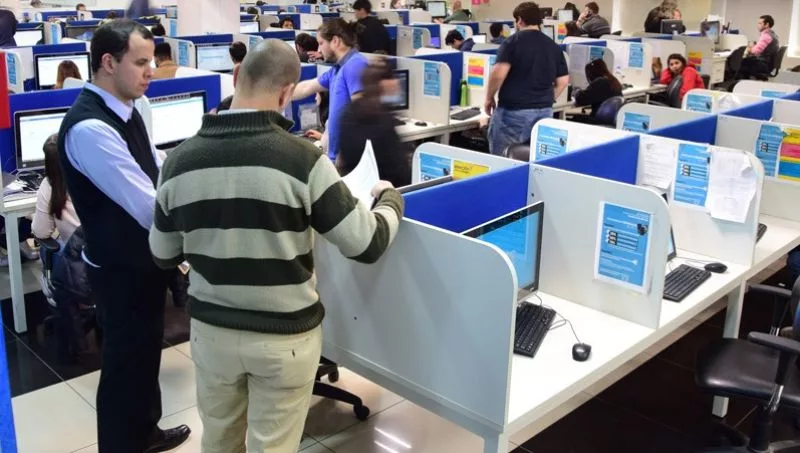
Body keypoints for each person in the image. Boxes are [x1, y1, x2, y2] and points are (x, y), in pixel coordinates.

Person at [149, 38, 404, 453]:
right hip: (283, 338)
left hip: (212, 334)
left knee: (218, 441)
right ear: (286, 94)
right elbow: (366, 244)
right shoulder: (303, 159)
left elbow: (162, 255)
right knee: (273, 446)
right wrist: (391, 200)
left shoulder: (177, 162)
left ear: (236, 76)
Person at [56, 20, 190, 453]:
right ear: (108, 63)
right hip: (119, 268)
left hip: (142, 260)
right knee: (123, 363)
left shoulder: (127, 110)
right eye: (141, 62)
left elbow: (156, 164)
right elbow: (148, 206)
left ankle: (146, 432)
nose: (151, 71)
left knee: (145, 353)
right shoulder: (91, 128)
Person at [484, 2, 569, 156]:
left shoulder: (512, 43)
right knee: (534, 157)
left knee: (505, 159)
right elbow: (563, 81)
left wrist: (489, 98)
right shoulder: (553, 46)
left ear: (520, 20)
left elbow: (498, 74)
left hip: (514, 113)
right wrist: (546, 98)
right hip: (545, 112)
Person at [292, 19, 368, 161]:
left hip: (347, 159)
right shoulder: (337, 70)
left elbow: (361, 115)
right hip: (336, 157)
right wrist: (277, 95)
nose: (319, 50)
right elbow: (306, 87)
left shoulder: (355, 64)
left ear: (335, 41)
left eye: (321, 43)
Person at [338, 59, 411, 187]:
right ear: (383, 84)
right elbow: (400, 171)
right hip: (384, 190)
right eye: (391, 78)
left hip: (356, 187)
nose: (397, 84)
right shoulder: (382, 120)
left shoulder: (349, 112)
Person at [740, 15, 780, 79]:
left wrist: (747, 48)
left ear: (767, 24)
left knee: (738, 63)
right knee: (745, 60)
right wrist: (753, 47)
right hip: (768, 64)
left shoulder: (766, 36)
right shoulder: (772, 34)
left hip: (764, 65)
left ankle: (739, 82)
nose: (757, 25)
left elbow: (755, 52)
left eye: (760, 23)